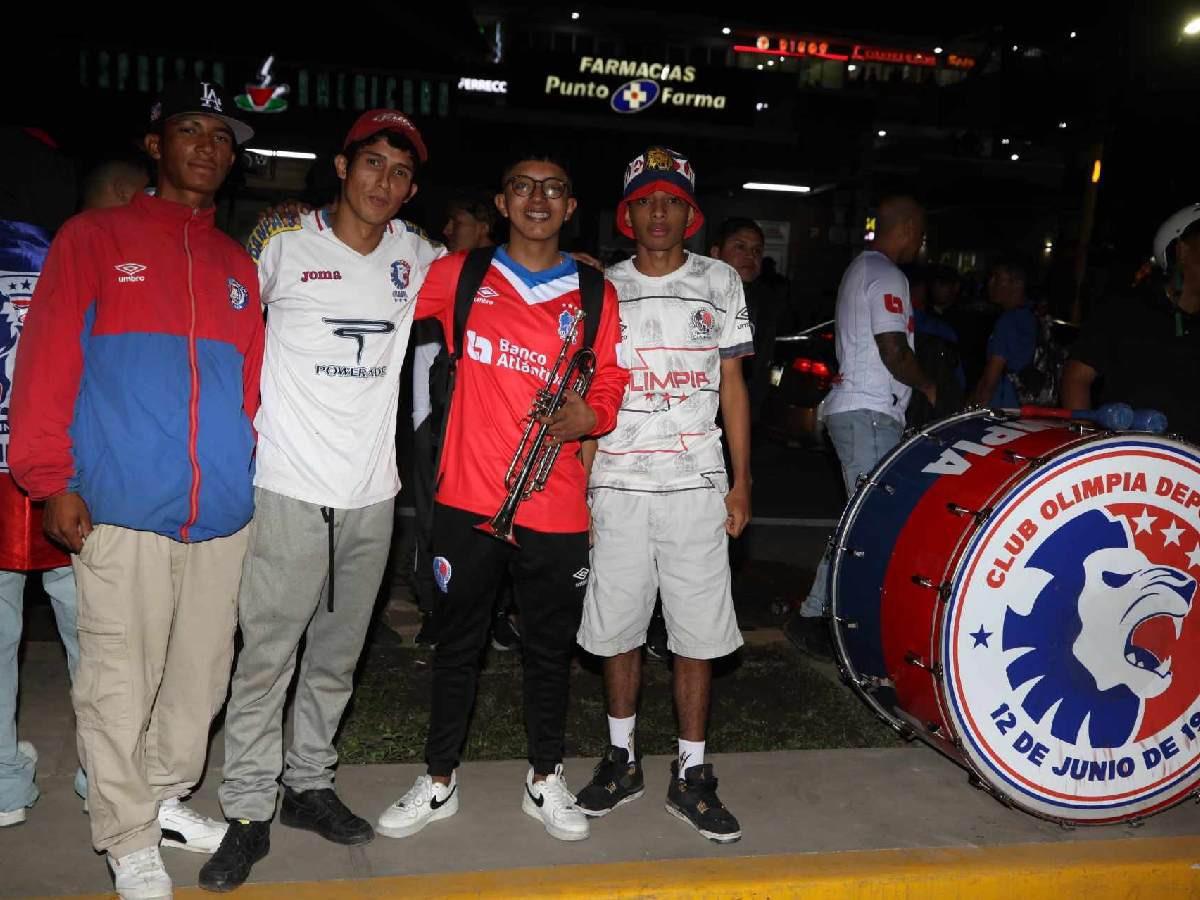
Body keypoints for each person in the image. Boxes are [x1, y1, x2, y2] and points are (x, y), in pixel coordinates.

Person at [9, 80, 263, 900]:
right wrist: (50, 480)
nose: (208, 148)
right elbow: (46, 366)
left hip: (220, 516)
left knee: (200, 682)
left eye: (223, 137)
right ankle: (125, 836)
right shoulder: (93, 237)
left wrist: (244, 475)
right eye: (190, 130)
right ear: (155, 144)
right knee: (118, 679)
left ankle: (159, 799)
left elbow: (249, 394)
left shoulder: (235, 264)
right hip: (121, 507)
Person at [198, 109, 442, 893]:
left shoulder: (417, 254)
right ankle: (244, 809)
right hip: (288, 489)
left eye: (401, 172)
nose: (385, 183)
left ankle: (307, 784)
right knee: (267, 658)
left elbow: (490, 278)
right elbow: (219, 317)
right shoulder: (284, 245)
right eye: (372, 163)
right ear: (341, 167)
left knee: (336, 659)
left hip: (373, 497)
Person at [375, 152, 625, 844]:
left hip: (555, 506)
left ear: (571, 207)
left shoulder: (596, 293)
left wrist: (590, 417)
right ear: (502, 203)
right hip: (466, 500)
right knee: (458, 648)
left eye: (553, 189)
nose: (538, 198)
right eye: (523, 187)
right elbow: (379, 302)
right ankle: (438, 779)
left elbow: (610, 381)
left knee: (549, 652)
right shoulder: (459, 275)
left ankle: (545, 777)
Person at [573, 146, 752, 844]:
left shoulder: (721, 282)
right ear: (627, 212)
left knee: (696, 635)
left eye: (671, 200)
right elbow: (588, 393)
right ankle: (620, 759)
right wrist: (582, 485)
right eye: (646, 199)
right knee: (615, 628)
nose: (658, 211)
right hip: (616, 483)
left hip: (696, 487)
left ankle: (692, 772)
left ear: (688, 212)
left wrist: (742, 480)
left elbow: (733, 387)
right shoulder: (603, 287)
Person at [0, 144, 145, 829]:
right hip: (69, 480)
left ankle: (1, 783)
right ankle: (102, 778)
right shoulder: (82, 256)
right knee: (97, 637)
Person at [786, 196, 934, 660]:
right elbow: (893, 350)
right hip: (869, 413)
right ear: (907, 227)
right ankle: (819, 617)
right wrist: (929, 386)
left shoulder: (862, 268)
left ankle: (822, 615)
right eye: (921, 233)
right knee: (867, 524)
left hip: (860, 412)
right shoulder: (887, 273)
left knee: (862, 519)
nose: (922, 243)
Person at [411, 189, 497, 648]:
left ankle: (492, 612)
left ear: (484, 225)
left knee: (492, 521)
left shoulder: (505, 273)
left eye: (458, 221)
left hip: (488, 422)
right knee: (433, 520)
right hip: (434, 417)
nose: (447, 231)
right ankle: (433, 606)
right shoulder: (436, 265)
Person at [1062, 204, 1200, 442]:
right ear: (1182, 251)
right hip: (1132, 471)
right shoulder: (1125, 309)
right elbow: (1077, 379)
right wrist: (1090, 452)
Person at [709, 217, 790, 425]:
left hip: (749, 410)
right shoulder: (697, 297)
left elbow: (772, 355)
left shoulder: (769, 301)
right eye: (740, 247)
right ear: (716, 253)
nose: (750, 256)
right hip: (703, 412)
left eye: (757, 251)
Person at [970, 255, 1037, 408]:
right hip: (1030, 408)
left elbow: (990, 380)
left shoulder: (1008, 322)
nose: (990, 283)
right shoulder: (1033, 316)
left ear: (1018, 283)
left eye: (997, 277)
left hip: (1005, 408)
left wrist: (973, 410)